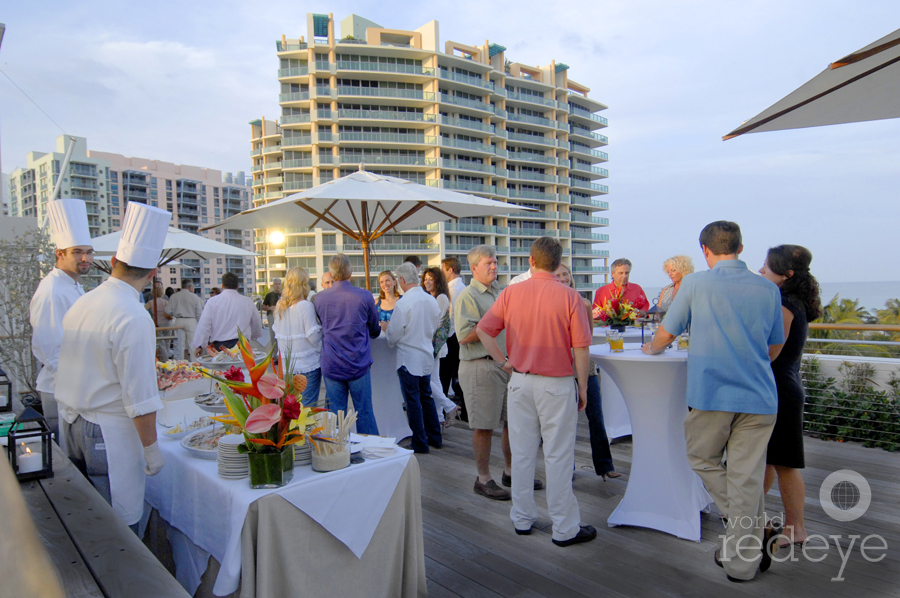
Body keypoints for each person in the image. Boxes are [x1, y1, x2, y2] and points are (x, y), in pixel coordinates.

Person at [642, 221, 785, 582]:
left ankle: (749, 535)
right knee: (747, 477)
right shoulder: (767, 289)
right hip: (760, 395)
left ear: (705, 250)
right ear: (740, 247)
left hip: (712, 394)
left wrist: (651, 348)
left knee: (702, 459)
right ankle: (743, 560)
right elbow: (773, 346)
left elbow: (666, 333)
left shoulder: (694, 283)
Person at [55, 202, 171, 532]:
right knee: (116, 532)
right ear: (152, 275)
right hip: (105, 433)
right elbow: (140, 395)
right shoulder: (133, 316)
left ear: (113, 262)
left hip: (72, 422)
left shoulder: (83, 301)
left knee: (87, 521)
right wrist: (151, 450)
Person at [476, 237, 595, 546]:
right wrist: (583, 386)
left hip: (520, 381)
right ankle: (565, 527)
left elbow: (483, 330)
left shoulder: (511, 293)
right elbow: (580, 348)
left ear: (531, 260)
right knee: (558, 454)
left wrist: (503, 361)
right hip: (556, 383)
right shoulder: (570, 297)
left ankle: (522, 518)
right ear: (558, 263)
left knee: (523, 451)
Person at [759, 245, 822, 549]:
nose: (760, 271)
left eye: (766, 267)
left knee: (784, 464)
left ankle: (795, 528)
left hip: (781, 391)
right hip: (785, 387)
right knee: (768, 461)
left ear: (786, 275)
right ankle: (751, 516)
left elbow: (769, 353)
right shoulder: (793, 301)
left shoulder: (784, 304)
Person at [30, 198, 94, 442]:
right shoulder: (52, 291)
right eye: (77, 252)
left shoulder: (73, 285)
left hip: (76, 386)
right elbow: (49, 349)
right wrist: (81, 384)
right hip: (62, 389)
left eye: (88, 252)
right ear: (60, 254)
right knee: (68, 460)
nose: (85, 258)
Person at [454, 245, 514, 501]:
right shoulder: (467, 296)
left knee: (513, 423)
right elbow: (463, 337)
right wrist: (490, 322)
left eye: (495, 261)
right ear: (473, 268)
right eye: (488, 262)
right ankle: (483, 478)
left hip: (505, 365)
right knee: (484, 427)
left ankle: (511, 472)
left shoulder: (500, 292)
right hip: (481, 366)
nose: (494, 266)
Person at [555, 263, 619, 480]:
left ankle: (605, 466)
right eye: (558, 275)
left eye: (566, 274)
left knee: (596, 417)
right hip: (562, 368)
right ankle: (568, 469)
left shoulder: (584, 303)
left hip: (585, 366)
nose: (563, 278)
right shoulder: (551, 305)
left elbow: (588, 336)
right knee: (565, 422)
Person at [314, 254, 380, 434]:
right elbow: (375, 330)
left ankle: (337, 453)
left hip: (332, 363)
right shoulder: (364, 296)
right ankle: (370, 453)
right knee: (364, 411)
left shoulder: (319, 299)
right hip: (358, 362)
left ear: (331, 274)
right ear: (350, 272)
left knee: (335, 413)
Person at [385, 262, 442, 453]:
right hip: (426, 353)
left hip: (408, 357)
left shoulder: (404, 303)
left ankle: (420, 442)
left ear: (401, 280)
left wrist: (387, 329)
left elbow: (393, 336)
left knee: (412, 401)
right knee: (426, 397)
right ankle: (435, 436)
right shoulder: (431, 300)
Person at [273, 267, 323, 407]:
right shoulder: (305, 306)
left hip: (286, 368)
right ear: (303, 285)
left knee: (290, 411)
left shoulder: (279, 306)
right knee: (307, 410)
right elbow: (314, 337)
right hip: (307, 366)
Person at [422, 267, 461, 426]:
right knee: (435, 381)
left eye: (431, 279)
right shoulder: (430, 297)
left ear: (438, 280)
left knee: (426, 378)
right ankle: (440, 416)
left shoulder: (441, 297)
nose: (427, 282)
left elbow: (438, 323)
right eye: (425, 279)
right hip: (432, 344)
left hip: (434, 345)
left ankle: (449, 406)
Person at [192, 272, 263, 354]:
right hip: (242, 345)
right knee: (241, 366)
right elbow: (256, 322)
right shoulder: (248, 302)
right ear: (238, 286)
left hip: (219, 346)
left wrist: (199, 345)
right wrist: (254, 336)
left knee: (221, 366)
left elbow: (204, 324)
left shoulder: (212, 302)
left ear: (222, 285)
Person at [440, 256, 466, 413]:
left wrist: (444, 337)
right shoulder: (462, 287)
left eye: (443, 270)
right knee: (456, 374)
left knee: (445, 375)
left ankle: (445, 410)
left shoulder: (452, 290)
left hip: (452, 337)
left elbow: (450, 317)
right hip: (460, 336)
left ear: (450, 270)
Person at [165, 280, 204, 359]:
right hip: (191, 320)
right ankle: (194, 362)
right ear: (190, 287)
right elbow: (199, 312)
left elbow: (167, 310)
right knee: (192, 344)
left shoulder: (174, 296)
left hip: (179, 320)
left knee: (179, 344)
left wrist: (175, 312)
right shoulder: (194, 297)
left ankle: (179, 362)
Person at [145, 282, 173, 361]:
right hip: (167, 323)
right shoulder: (165, 302)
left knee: (161, 343)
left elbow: (143, 309)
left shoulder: (151, 302)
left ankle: (164, 359)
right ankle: (167, 357)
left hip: (158, 324)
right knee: (168, 342)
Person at [262, 278, 282, 349]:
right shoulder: (269, 295)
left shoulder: (285, 295)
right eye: (276, 284)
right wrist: (269, 308)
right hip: (272, 316)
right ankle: (274, 354)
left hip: (282, 316)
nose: (277, 286)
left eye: (279, 284)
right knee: (273, 334)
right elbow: (263, 306)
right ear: (273, 285)